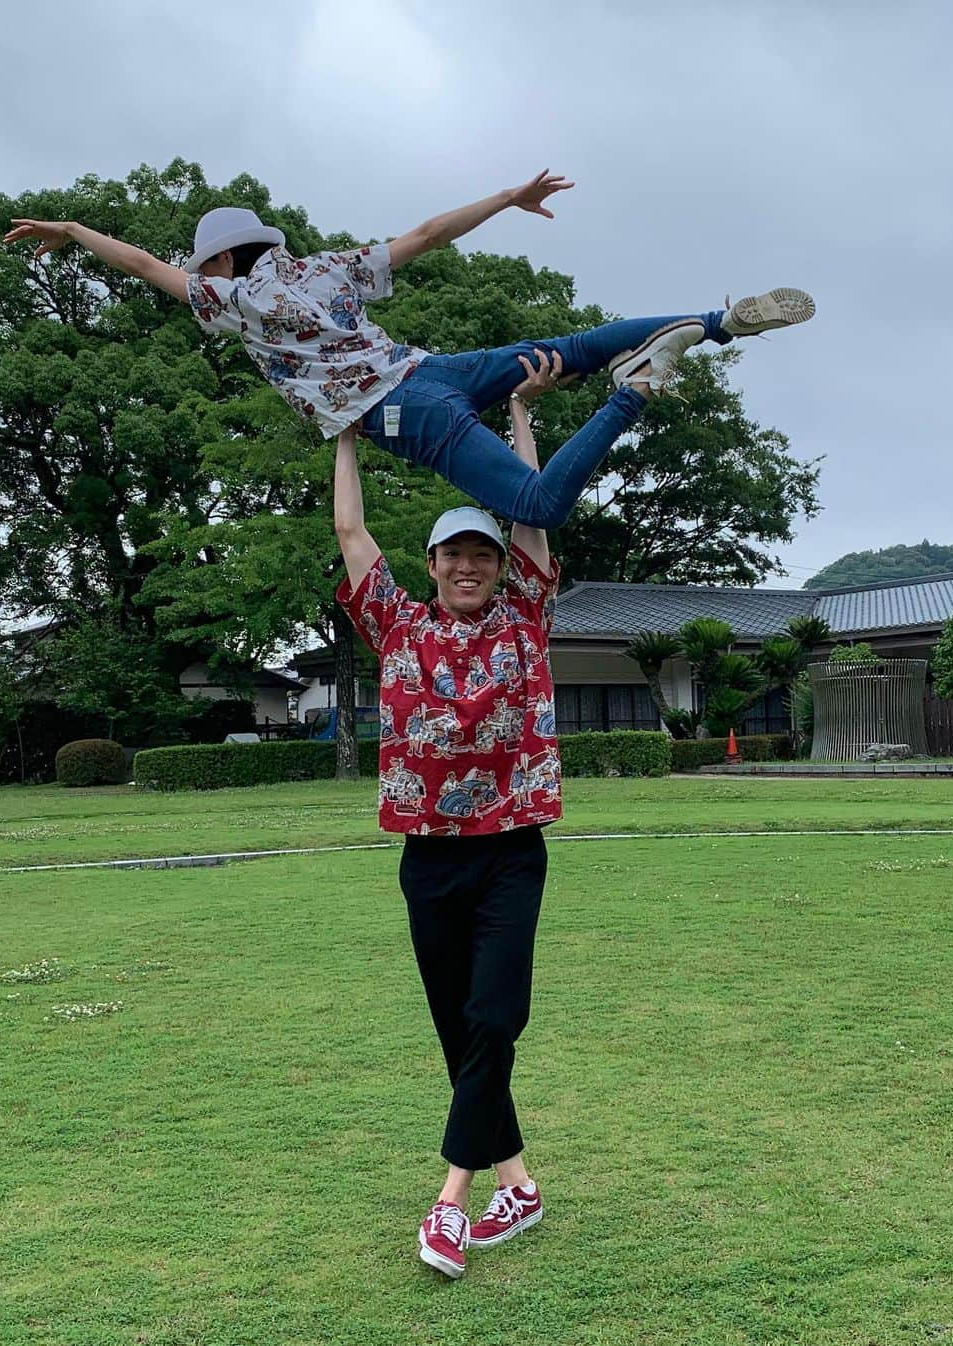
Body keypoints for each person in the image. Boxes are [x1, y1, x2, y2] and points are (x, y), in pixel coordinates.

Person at [4, 171, 814, 526]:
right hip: (433, 368)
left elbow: (146, 267)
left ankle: (633, 390)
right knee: (575, 343)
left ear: (219, 262)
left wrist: (74, 230)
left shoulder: (235, 299)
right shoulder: (328, 268)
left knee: (536, 506)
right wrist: (509, 195)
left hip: (404, 411)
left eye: (201, 263)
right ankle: (714, 321)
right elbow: (427, 234)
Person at [334, 347, 632, 1278]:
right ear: (430, 565)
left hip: (510, 851)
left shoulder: (525, 620)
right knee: (461, 1028)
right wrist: (343, 431)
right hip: (427, 856)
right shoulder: (398, 626)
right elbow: (350, 533)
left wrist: (520, 414)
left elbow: (536, 506)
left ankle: (451, 1205)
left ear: (500, 568)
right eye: (453, 553)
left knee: (496, 1015)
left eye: (482, 554)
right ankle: (520, 1184)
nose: (468, 566)